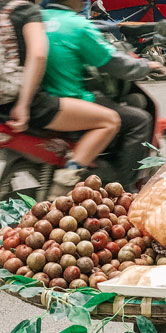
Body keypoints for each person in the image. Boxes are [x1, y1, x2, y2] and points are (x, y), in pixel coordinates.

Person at [41, 0, 164, 191]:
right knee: (139, 120)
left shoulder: (39, 18)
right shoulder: (77, 25)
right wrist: (146, 66)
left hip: (43, 97)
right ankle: (123, 190)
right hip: (70, 101)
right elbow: (114, 62)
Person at [0, 0, 120, 191]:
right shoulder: (25, 10)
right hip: (26, 105)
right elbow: (38, 54)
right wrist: (23, 104)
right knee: (110, 121)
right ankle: (62, 188)